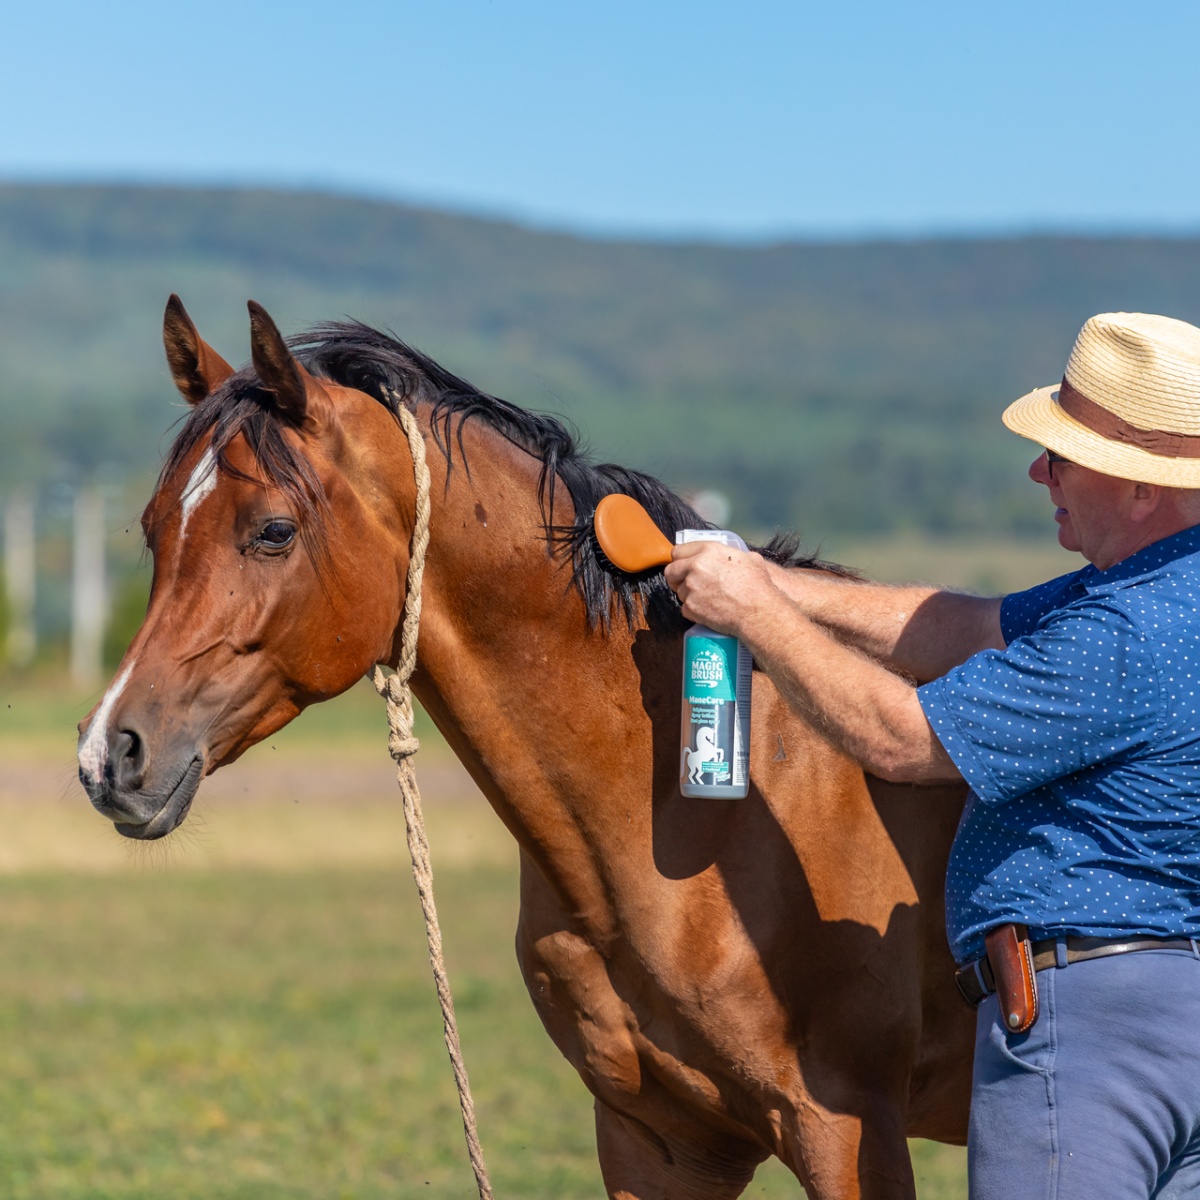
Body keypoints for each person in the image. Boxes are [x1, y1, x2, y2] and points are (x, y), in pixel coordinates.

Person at [665, 311, 1200, 1199]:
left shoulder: (1124, 632)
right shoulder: (1156, 586)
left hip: (1092, 1032)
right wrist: (769, 581)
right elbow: (968, 626)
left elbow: (902, 739)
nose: (1041, 471)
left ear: (1140, 489)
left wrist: (756, 618)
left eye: (1065, 454)